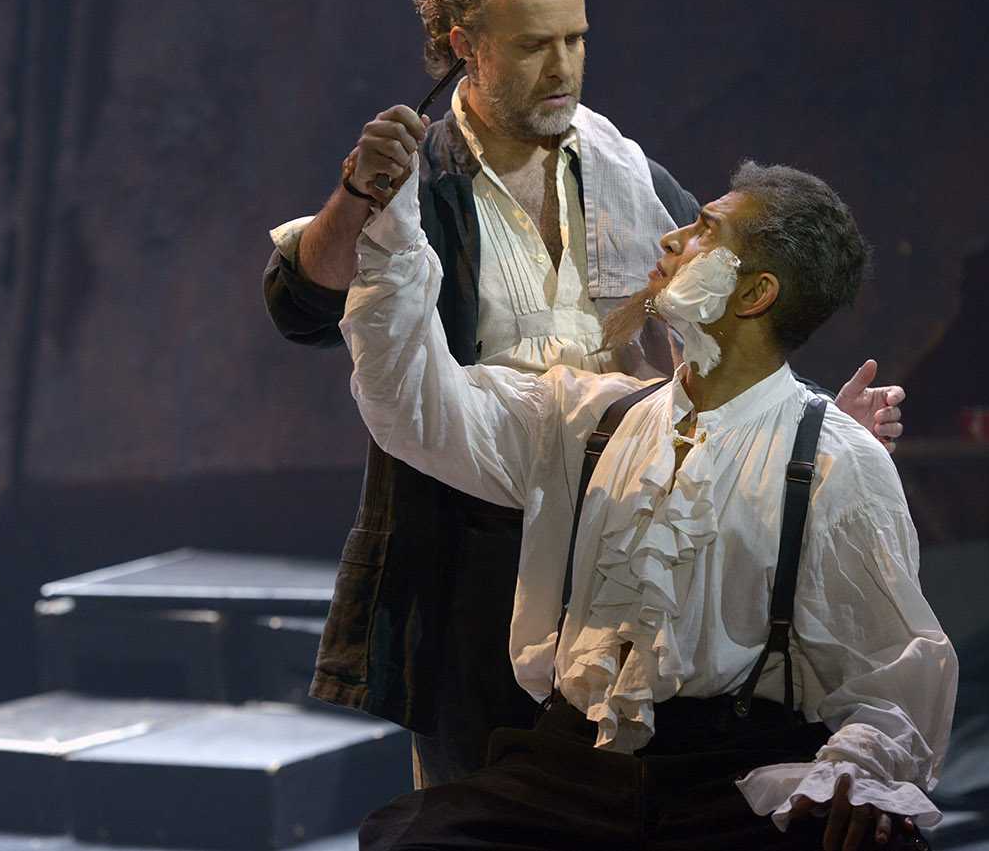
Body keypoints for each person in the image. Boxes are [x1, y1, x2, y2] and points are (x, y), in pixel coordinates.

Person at [263, 0, 908, 787]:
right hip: (474, 564)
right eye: (534, 45)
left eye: (575, 39)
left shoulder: (616, 166)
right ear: (465, 45)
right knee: (482, 813)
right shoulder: (426, 176)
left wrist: (818, 431)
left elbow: (731, 300)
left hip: (620, 545)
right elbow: (300, 307)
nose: (562, 67)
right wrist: (357, 197)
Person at [342, 158, 956, 850]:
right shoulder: (589, 420)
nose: (670, 238)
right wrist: (391, 222)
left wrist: (856, 771)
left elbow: (889, 669)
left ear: (755, 293)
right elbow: (414, 403)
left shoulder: (837, 460)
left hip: (732, 773)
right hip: (572, 767)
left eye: (704, 230)